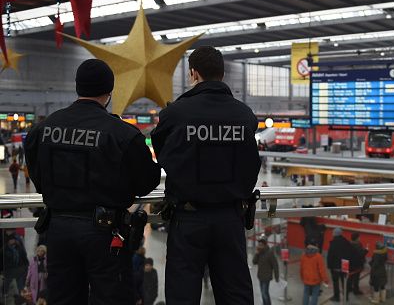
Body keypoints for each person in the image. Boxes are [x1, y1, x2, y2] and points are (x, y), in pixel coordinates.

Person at [24, 59, 161, 305]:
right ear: (109, 92)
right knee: (112, 297)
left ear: (78, 87)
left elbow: (36, 172)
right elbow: (147, 181)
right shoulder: (122, 134)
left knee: (63, 298)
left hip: (58, 229)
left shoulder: (43, 129)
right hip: (104, 233)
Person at [151, 46, 261, 304]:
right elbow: (251, 164)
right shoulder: (244, 115)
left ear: (193, 74)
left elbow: (163, 155)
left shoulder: (175, 114)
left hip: (188, 219)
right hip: (231, 218)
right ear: (222, 74)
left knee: (183, 293)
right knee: (235, 293)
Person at [326, 227, 354, 302]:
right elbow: (350, 254)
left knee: (335, 282)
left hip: (335, 266)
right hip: (344, 265)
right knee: (344, 281)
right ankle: (346, 296)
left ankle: (337, 297)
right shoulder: (346, 242)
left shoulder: (333, 243)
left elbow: (330, 255)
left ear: (335, 234)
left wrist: (329, 265)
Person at [252, 237, 280, 305]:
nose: (259, 246)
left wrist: (277, 277)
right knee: (263, 293)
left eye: (261, 245)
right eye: (259, 244)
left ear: (264, 245)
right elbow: (254, 262)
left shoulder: (270, 253)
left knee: (264, 293)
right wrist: (257, 253)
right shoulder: (259, 253)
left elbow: (275, 265)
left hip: (266, 277)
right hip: (260, 276)